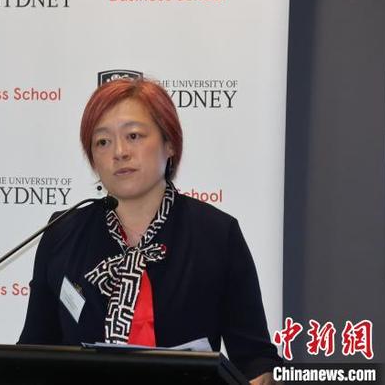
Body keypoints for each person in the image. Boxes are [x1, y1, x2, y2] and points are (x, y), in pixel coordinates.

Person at [18, 78, 281, 384]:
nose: (119, 152)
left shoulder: (217, 234)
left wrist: (262, 376)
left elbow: (255, 357)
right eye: (102, 142)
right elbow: (33, 352)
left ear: (170, 144)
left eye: (134, 136)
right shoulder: (62, 233)